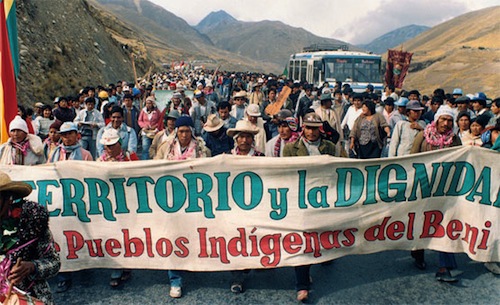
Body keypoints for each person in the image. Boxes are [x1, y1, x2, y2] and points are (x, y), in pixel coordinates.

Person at [283, 112, 343, 302]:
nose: (311, 132)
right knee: (302, 241)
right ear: (303, 128)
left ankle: (323, 257)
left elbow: (339, 169)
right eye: (308, 128)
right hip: (300, 201)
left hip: (324, 200)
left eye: (315, 128)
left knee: (321, 235)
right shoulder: (291, 148)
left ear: (320, 129)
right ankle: (302, 285)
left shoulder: (330, 147)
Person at [410, 107, 462, 282]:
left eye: (449, 121)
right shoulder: (423, 136)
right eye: (443, 120)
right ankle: (417, 252)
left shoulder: (455, 140)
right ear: (436, 120)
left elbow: (461, 162)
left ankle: (444, 266)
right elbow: (410, 161)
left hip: (445, 190)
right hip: (423, 188)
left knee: (444, 224)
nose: (446, 124)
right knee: (420, 222)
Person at [0, 171, 60, 305]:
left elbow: (54, 262)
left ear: (8, 199)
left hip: (29, 297)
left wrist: (33, 266)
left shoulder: (32, 223)